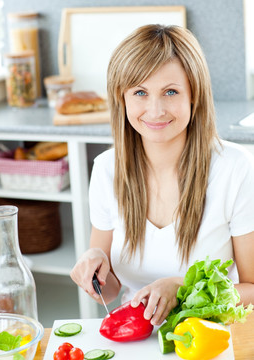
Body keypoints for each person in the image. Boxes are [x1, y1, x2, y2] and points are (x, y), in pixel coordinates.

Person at [70, 24, 254, 326]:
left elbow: (252, 289)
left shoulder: (235, 168)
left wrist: (185, 289)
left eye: (170, 92)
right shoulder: (106, 169)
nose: (155, 110)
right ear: (122, 98)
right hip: (137, 334)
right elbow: (113, 288)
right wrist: (93, 269)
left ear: (194, 95)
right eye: (140, 92)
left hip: (210, 335)